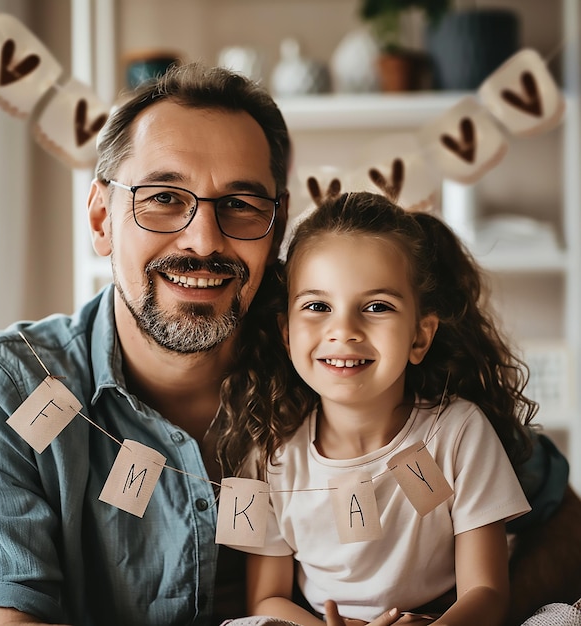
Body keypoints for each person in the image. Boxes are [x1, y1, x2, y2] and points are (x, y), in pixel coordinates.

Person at [0, 62, 291, 626]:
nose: (204, 240)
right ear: (101, 217)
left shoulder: (336, 375)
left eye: (240, 204)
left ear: (275, 232)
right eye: (163, 197)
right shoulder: (5, 390)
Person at [224, 191, 537, 626]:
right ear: (287, 333)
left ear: (419, 337)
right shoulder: (268, 453)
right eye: (317, 306)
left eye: (376, 307)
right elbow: (266, 599)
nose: (344, 331)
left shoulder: (459, 431)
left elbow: (485, 592)